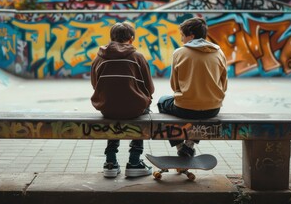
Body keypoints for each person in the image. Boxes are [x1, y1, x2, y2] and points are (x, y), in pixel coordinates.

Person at [91, 21, 155, 178]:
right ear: (131, 38)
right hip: (134, 109)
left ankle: (110, 162)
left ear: (111, 38)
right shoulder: (138, 57)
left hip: (107, 107)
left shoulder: (99, 58)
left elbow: (95, 84)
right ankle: (134, 161)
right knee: (142, 112)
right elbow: (150, 88)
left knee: (114, 114)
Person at [157, 17, 228, 157]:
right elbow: (224, 84)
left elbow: (174, 85)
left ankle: (180, 147)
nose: (182, 40)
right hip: (212, 109)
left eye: (183, 36)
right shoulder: (219, 52)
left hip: (185, 109)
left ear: (191, 35)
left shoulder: (179, 53)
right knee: (199, 113)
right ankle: (189, 146)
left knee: (161, 102)